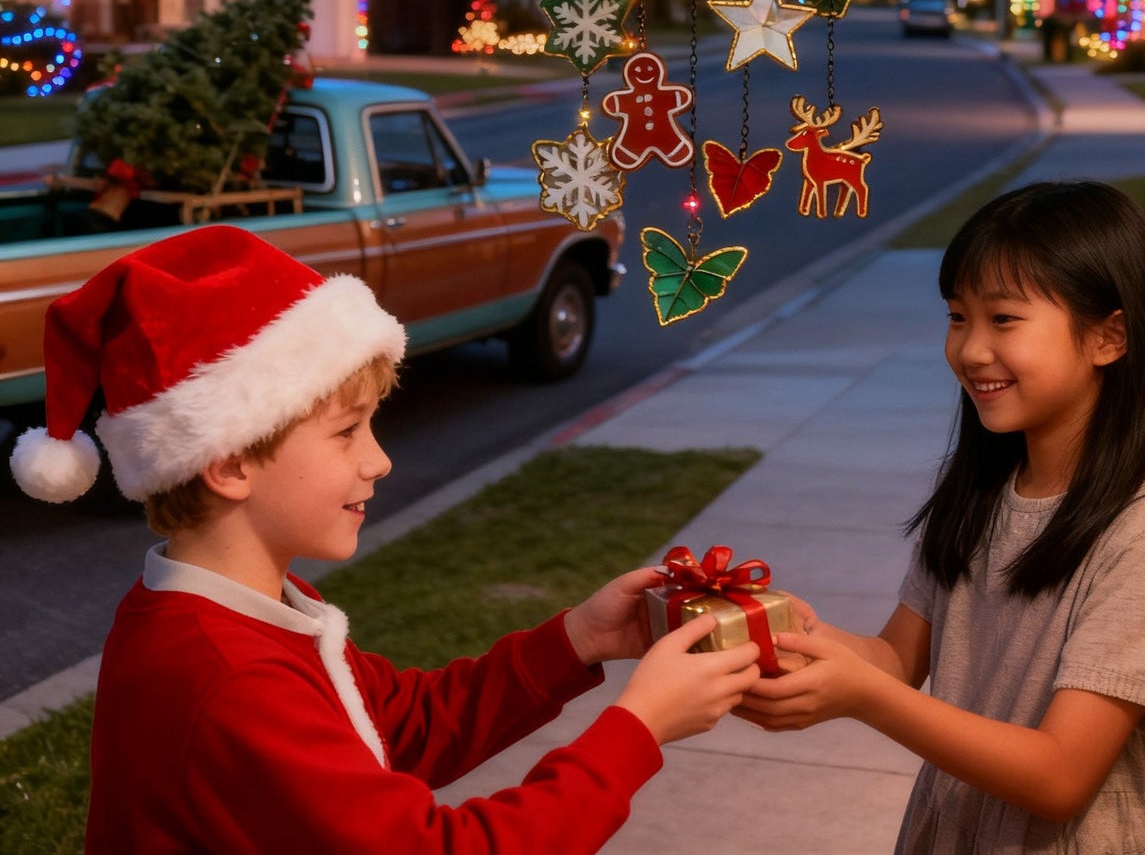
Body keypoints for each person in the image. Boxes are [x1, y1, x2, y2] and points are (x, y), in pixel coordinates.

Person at [10, 225, 760, 854]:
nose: (379, 460)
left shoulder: (248, 609)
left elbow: (400, 725)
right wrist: (636, 729)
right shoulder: (228, 675)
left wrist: (576, 640)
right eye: (347, 431)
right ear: (229, 462)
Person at [738, 180, 1145, 853]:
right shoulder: (980, 491)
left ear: (1109, 336)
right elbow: (895, 660)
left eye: (1003, 318)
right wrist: (798, 638)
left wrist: (862, 696)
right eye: (957, 316)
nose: (970, 349)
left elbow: (1060, 776)